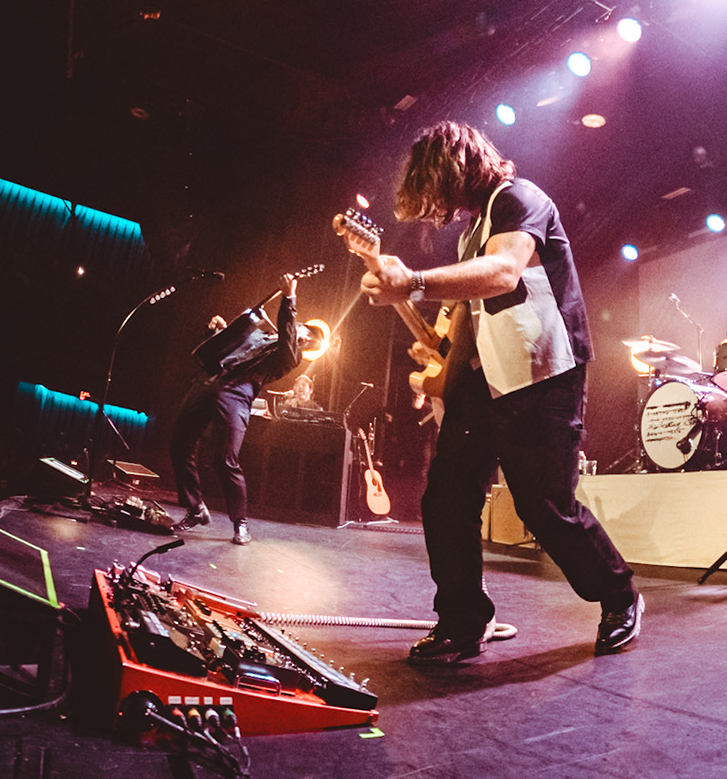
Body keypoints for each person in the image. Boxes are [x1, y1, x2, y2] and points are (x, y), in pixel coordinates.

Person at [360, 120, 641, 663]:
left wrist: (413, 281)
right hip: (484, 380)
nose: (432, 205)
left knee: (544, 506)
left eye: (432, 187)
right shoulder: (470, 233)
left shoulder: (519, 199)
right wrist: (435, 351)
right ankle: (463, 622)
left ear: (453, 170)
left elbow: (505, 273)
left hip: (545, 373)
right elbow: (468, 320)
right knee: (447, 495)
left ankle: (619, 594)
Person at [170, 272, 325, 544]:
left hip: (237, 394)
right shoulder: (260, 334)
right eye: (304, 327)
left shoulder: (290, 357)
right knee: (180, 443)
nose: (302, 329)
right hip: (209, 380)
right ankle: (196, 509)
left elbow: (287, 337)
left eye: (307, 334)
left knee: (225, 459)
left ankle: (240, 522)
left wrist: (289, 298)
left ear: (307, 344)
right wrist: (217, 331)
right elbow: (226, 350)